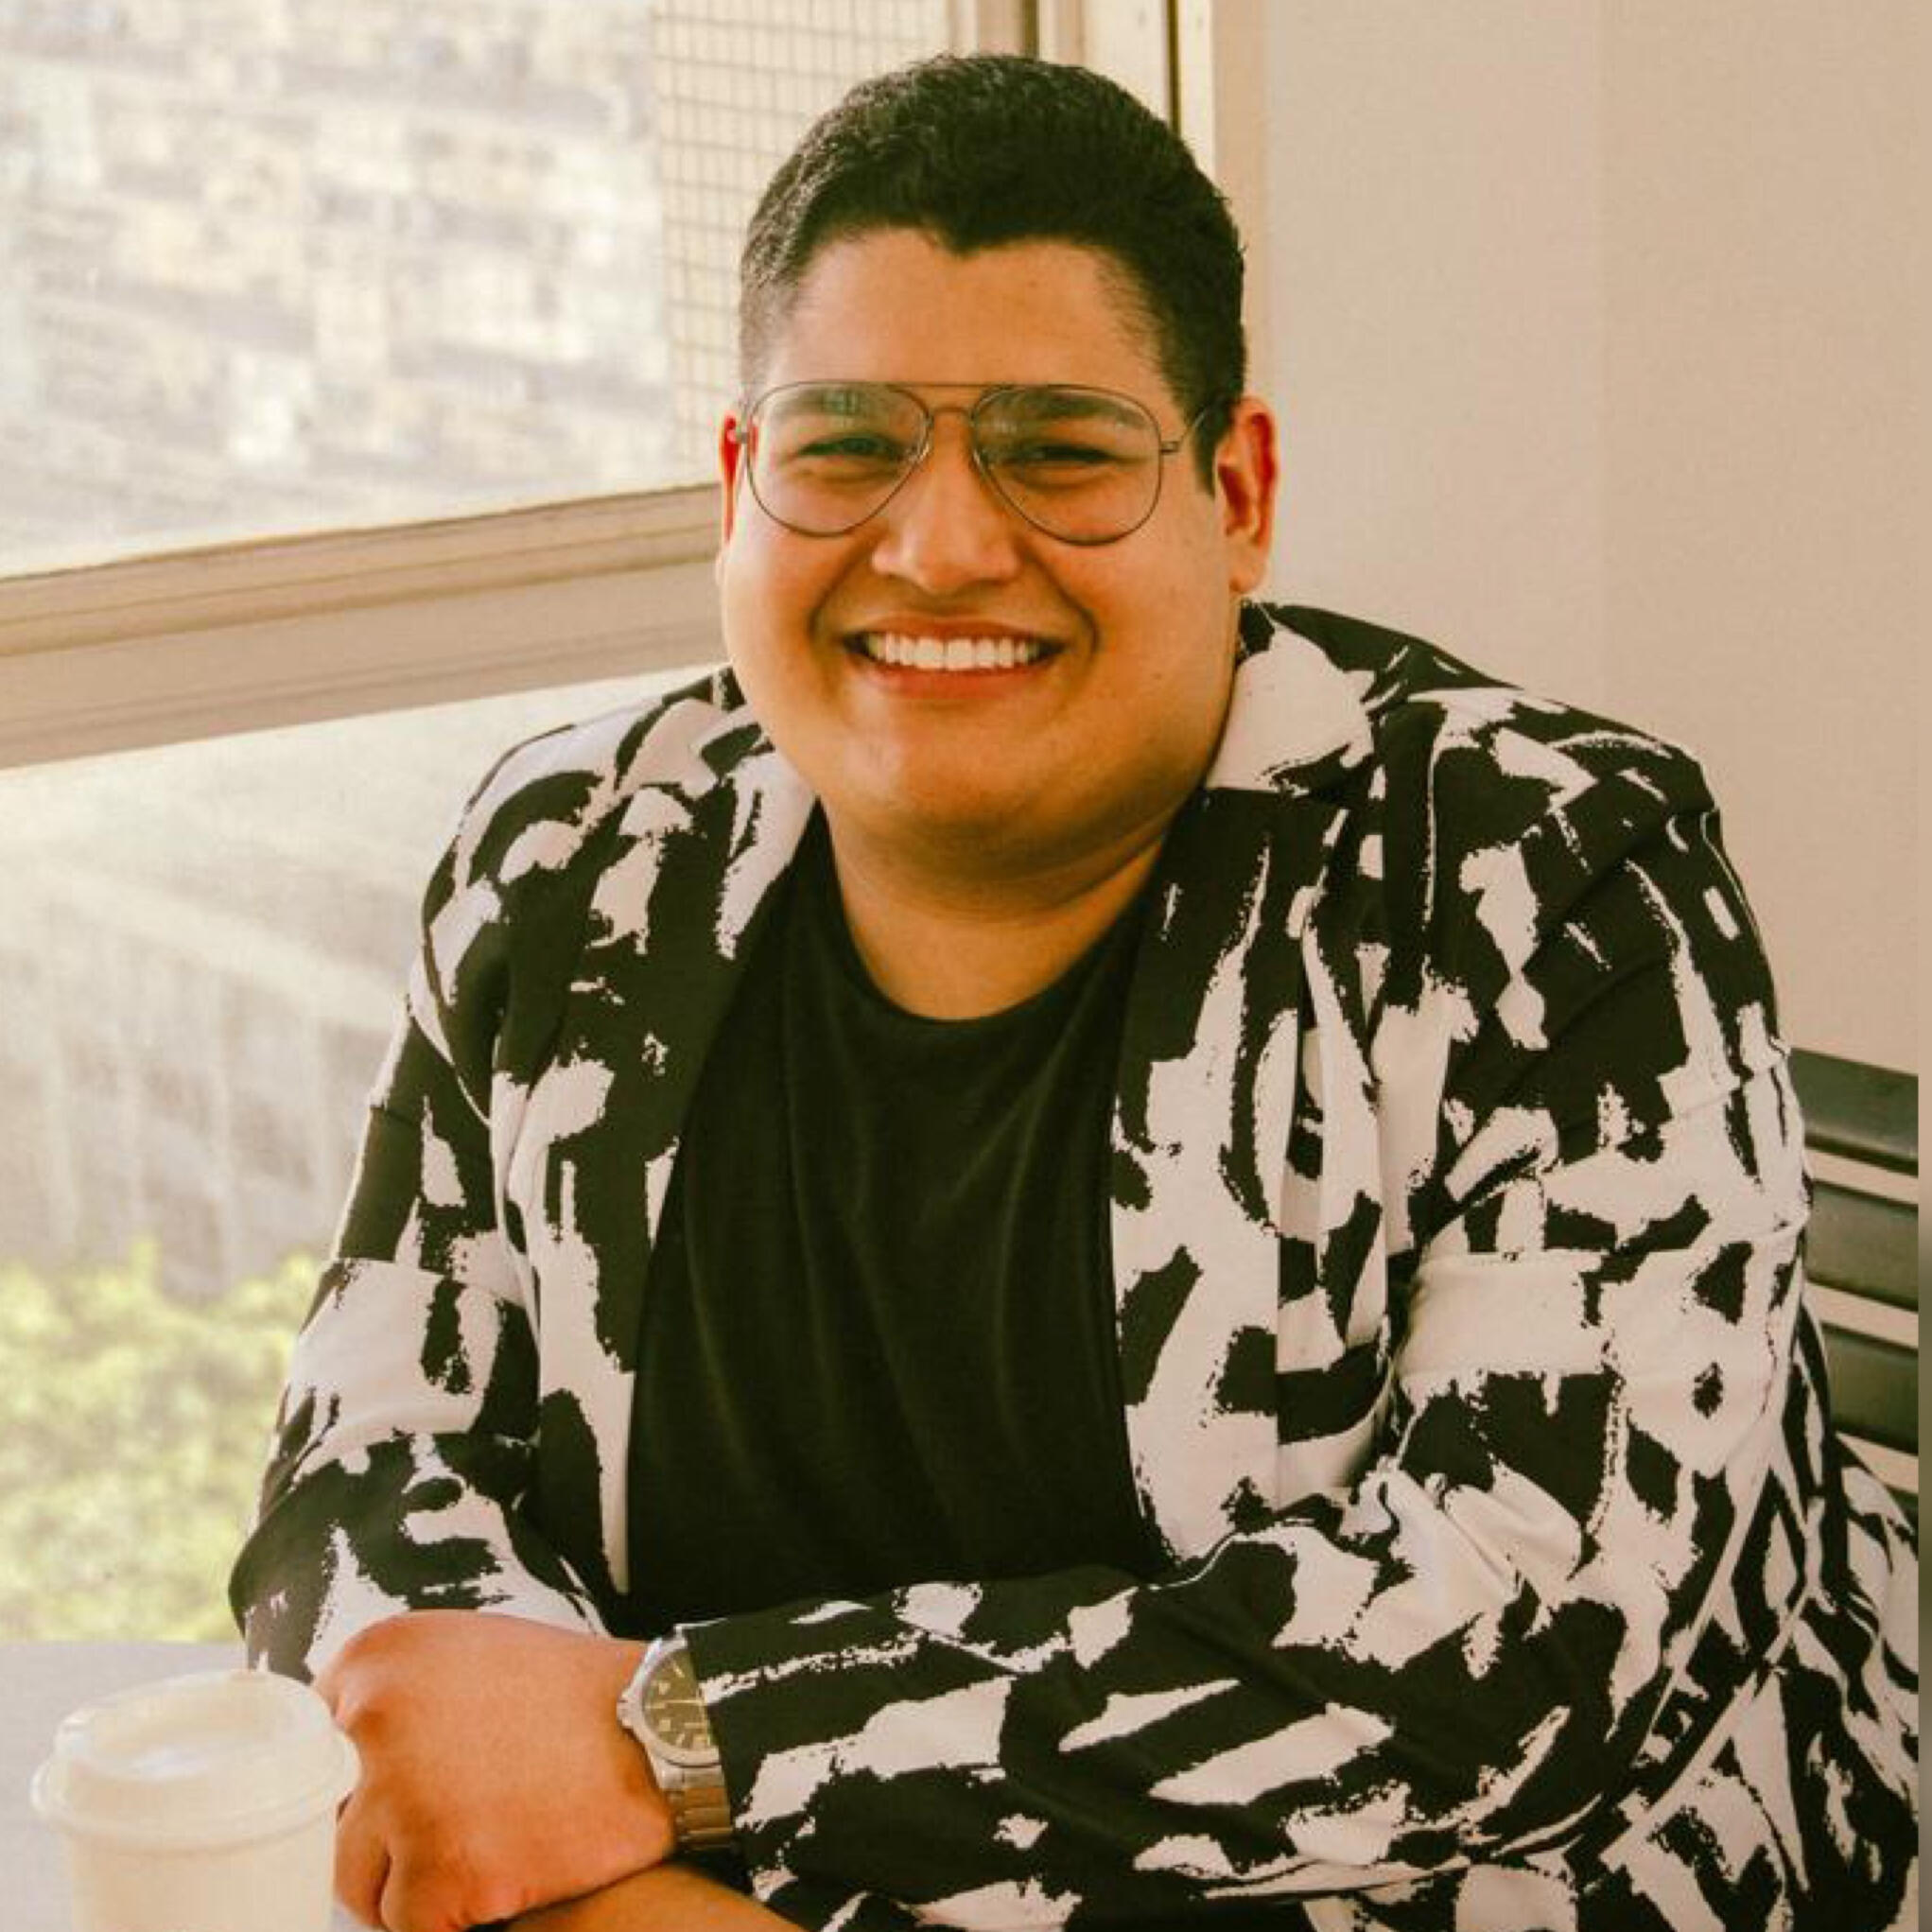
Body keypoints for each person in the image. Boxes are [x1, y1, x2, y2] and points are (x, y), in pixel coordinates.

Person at [230, 52, 1918, 1932]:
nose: (942, 545)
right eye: (843, 444)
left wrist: (671, 1747)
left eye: (1061, 449)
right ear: (737, 484)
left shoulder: (1545, 873)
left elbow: (1515, 1660)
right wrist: (568, 1860)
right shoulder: (570, 863)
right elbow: (360, 1473)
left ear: (1236, 495)